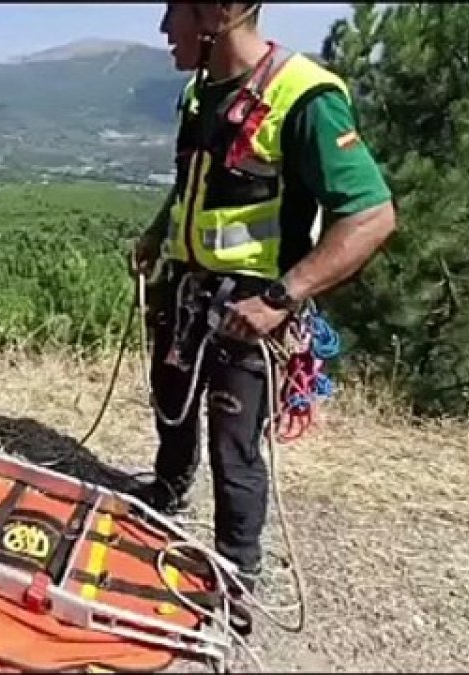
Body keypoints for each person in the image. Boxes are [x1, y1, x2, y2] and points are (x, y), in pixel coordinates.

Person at [129, 2, 397, 599]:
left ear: (215, 14)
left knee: (234, 444)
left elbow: (373, 216)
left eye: (173, 11)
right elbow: (193, 182)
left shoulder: (303, 96)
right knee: (171, 405)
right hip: (185, 288)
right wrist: (157, 232)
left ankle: (234, 577)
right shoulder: (202, 91)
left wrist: (282, 298)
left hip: (250, 306)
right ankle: (166, 496)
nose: (162, 29)